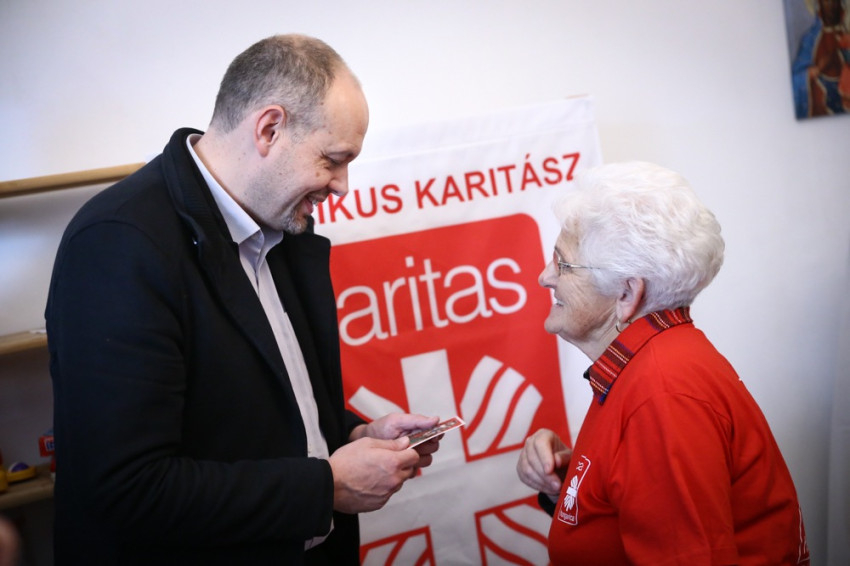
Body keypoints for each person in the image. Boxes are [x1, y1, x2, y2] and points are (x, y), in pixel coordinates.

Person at [45, 34, 442, 565]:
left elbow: (257, 407)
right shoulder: (119, 244)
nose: (342, 186)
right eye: (333, 159)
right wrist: (325, 486)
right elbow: (127, 488)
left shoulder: (278, 224)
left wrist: (351, 433)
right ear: (269, 128)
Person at [516, 162, 810, 565]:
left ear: (627, 293)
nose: (545, 277)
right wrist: (576, 484)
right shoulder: (655, 365)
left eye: (562, 263)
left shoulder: (662, 394)